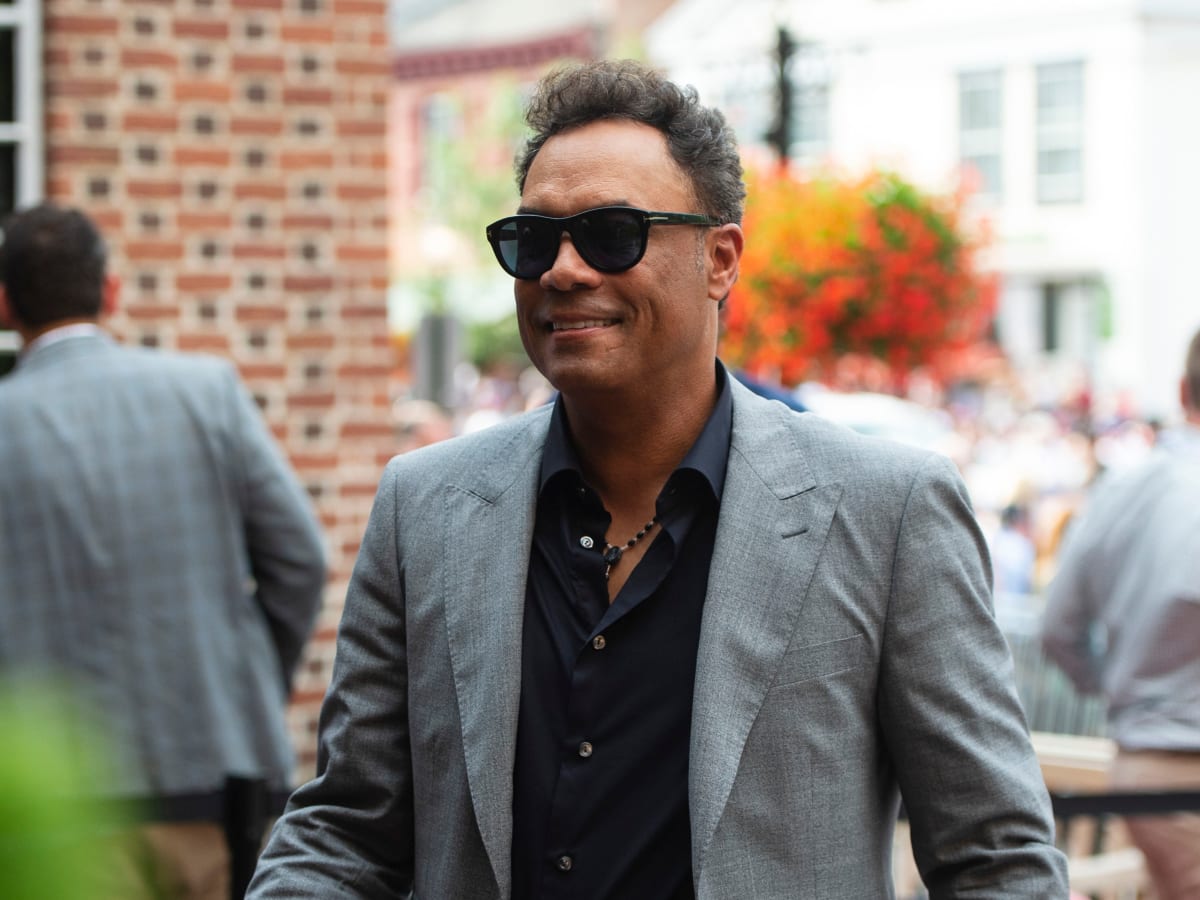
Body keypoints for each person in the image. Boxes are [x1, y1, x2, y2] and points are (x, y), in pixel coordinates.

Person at [249, 59, 1067, 898]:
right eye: (534, 239)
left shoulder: (885, 511)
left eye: (613, 233)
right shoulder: (424, 507)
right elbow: (348, 829)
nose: (563, 270)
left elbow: (995, 859)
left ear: (720, 259)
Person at [0, 203, 327, 900]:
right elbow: (300, 558)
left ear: (4, 305)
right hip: (214, 792)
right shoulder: (207, 393)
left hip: (52, 821)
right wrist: (244, 680)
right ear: (111, 290)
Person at [1042, 327, 1200, 900]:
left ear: (1182, 391)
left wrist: (1120, 686)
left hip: (1145, 767)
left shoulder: (1124, 492)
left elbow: (1057, 628)